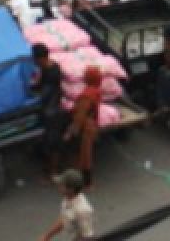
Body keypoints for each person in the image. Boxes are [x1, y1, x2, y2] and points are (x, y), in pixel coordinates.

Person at [63, 66, 102, 188]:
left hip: (85, 128)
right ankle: (86, 181)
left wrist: (70, 132)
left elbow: (80, 116)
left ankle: (84, 183)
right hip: (91, 125)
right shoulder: (95, 91)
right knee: (86, 155)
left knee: (84, 156)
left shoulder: (86, 95)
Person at [32, 44, 66, 178]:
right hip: (49, 108)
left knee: (53, 143)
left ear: (40, 58)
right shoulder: (47, 67)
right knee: (48, 141)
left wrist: (32, 94)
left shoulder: (53, 73)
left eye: (34, 59)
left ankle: (53, 172)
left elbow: (45, 93)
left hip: (53, 112)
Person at [40, 169, 94, 241]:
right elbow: (64, 218)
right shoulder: (70, 197)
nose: (58, 185)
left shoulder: (82, 210)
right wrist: (47, 236)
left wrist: (46, 236)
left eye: (62, 185)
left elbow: (88, 236)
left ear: (70, 189)